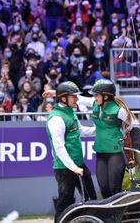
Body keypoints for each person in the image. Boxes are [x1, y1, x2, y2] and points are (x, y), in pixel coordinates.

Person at [44, 79, 136, 199]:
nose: (94, 96)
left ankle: (121, 215)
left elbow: (132, 124)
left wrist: (124, 135)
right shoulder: (95, 103)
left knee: (114, 188)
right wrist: (56, 93)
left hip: (115, 153)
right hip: (101, 153)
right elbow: (79, 98)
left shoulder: (119, 110)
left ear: (106, 96)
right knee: (104, 188)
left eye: (96, 94)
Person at [46, 81, 97, 222]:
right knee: (64, 205)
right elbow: (59, 147)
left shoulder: (70, 112)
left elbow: (82, 131)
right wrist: (74, 168)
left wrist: (101, 130)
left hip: (78, 164)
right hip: (65, 168)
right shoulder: (56, 118)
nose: (77, 99)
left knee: (92, 200)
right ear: (63, 98)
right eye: (73, 96)